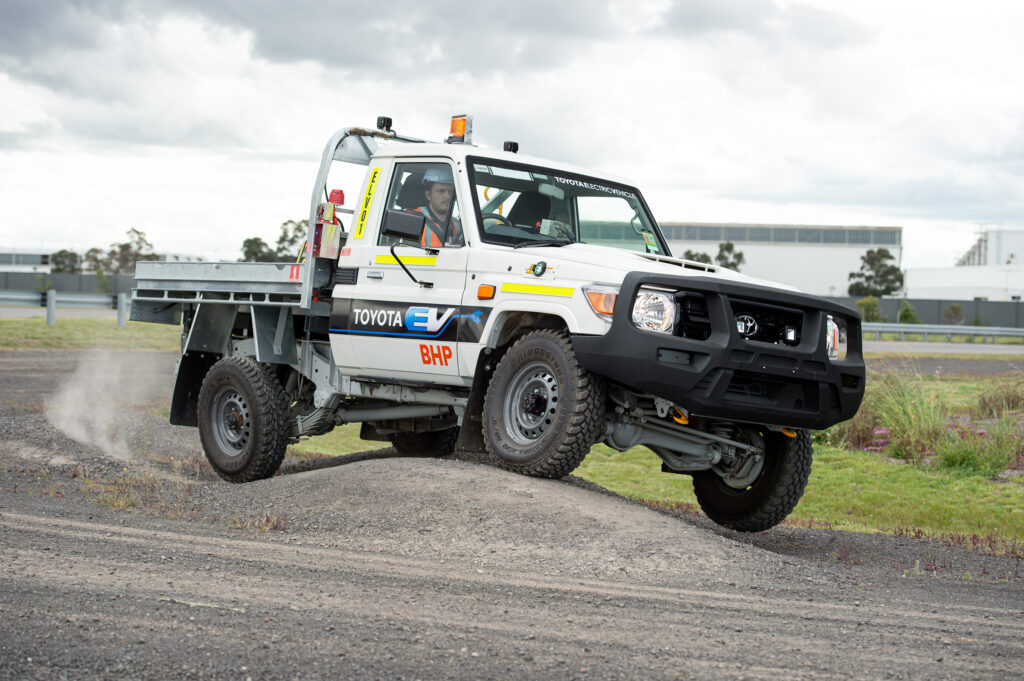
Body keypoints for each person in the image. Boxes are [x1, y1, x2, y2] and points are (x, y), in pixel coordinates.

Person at [415, 167, 463, 247]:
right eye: (441, 191)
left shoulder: (458, 226)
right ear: (428, 195)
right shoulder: (413, 221)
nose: (448, 196)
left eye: (451, 191)